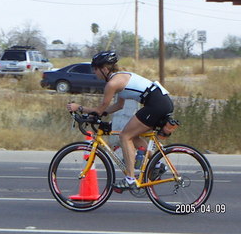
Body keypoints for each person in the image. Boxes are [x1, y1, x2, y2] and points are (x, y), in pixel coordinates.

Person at [66, 50, 174, 192]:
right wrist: (99, 115)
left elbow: (100, 109)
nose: (94, 72)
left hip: (156, 104)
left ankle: (130, 179)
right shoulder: (119, 78)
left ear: (104, 69)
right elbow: (118, 106)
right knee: (132, 135)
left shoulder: (112, 84)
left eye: (96, 69)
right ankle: (158, 163)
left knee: (125, 136)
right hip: (160, 102)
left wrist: (79, 107)